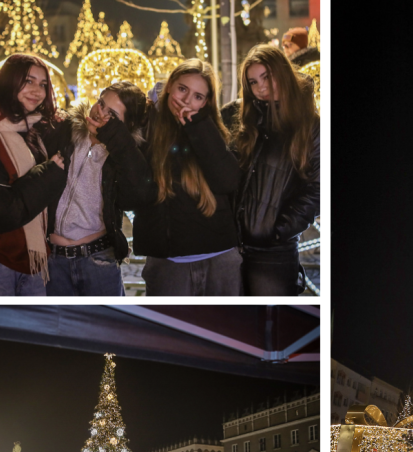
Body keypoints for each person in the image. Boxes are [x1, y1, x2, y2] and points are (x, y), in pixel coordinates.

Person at [132, 59, 241, 295]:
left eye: (198, 96)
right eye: (183, 89)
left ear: (206, 102)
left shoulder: (212, 128)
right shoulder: (147, 126)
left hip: (220, 258)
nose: (186, 101)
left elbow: (228, 181)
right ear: (170, 85)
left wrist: (198, 126)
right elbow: (137, 191)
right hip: (169, 263)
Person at [0, 54, 68, 295]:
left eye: (43, 84)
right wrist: (49, 174)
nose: (37, 91)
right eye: (28, 81)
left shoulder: (31, 127)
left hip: (32, 256)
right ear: (10, 82)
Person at [232, 44, 320, 295]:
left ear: (282, 73)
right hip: (233, 248)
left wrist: (278, 231)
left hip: (273, 253)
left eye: (266, 77)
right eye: (253, 82)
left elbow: (317, 189)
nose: (260, 87)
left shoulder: (309, 126)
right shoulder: (248, 121)